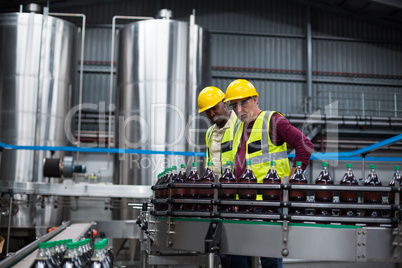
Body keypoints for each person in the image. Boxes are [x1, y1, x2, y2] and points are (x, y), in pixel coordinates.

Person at [224, 79, 314, 268]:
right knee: (238, 259)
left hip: (268, 204)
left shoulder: (272, 121)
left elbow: (305, 144)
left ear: (255, 99)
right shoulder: (239, 127)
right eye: (234, 106)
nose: (239, 110)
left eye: (243, 103)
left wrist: (291, 179)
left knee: (270, 260)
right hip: (242, 204)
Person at [198, 86, 239, 175]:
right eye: (207, 111)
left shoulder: (239, 124)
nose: (212, 114)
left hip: (234, 185)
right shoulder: (210, 132)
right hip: (215, 186)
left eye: (214, 108)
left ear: (224, 103)